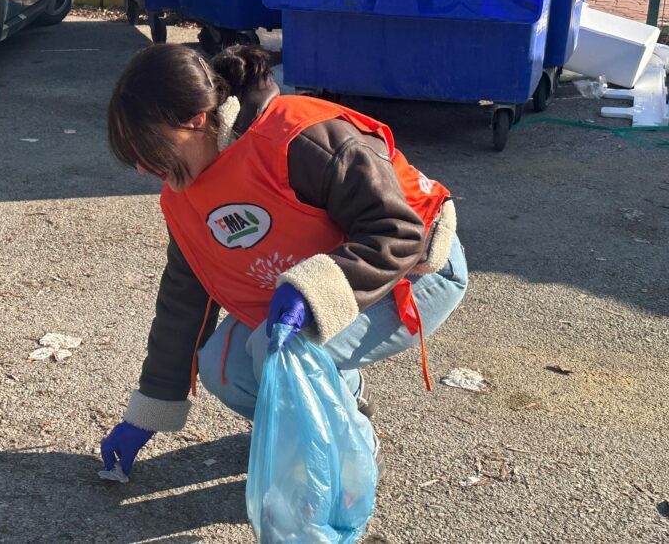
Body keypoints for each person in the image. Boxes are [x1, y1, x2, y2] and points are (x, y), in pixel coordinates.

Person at [100, 44, 467, 478]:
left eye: (149, 148)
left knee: (280, 354)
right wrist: (150, 410)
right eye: (132, 156)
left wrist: (313, 291)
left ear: (196, 120)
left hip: (413, 274)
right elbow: (184, 300)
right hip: (319, 291)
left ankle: (350, 455)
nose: (142, 168)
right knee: (225, 365)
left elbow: (399, 233)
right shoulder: (183, 197)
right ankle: (341, 402)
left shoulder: (298, 137)